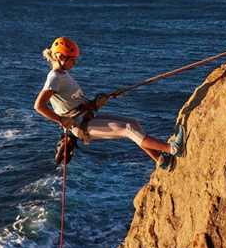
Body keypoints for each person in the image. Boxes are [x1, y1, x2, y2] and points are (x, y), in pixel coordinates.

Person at [33, 37, 185, 170]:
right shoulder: (54, 78)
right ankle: (173, 149)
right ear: (61, 57)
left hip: (86, 117)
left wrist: (99, 101)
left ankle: (161, 160)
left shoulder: (63, 74)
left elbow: (75, 103)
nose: (75, 62)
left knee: (134, 124)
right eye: (72, 59)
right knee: (129, 129)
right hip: (80, 126)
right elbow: (39, 106)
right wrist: (60, 119)